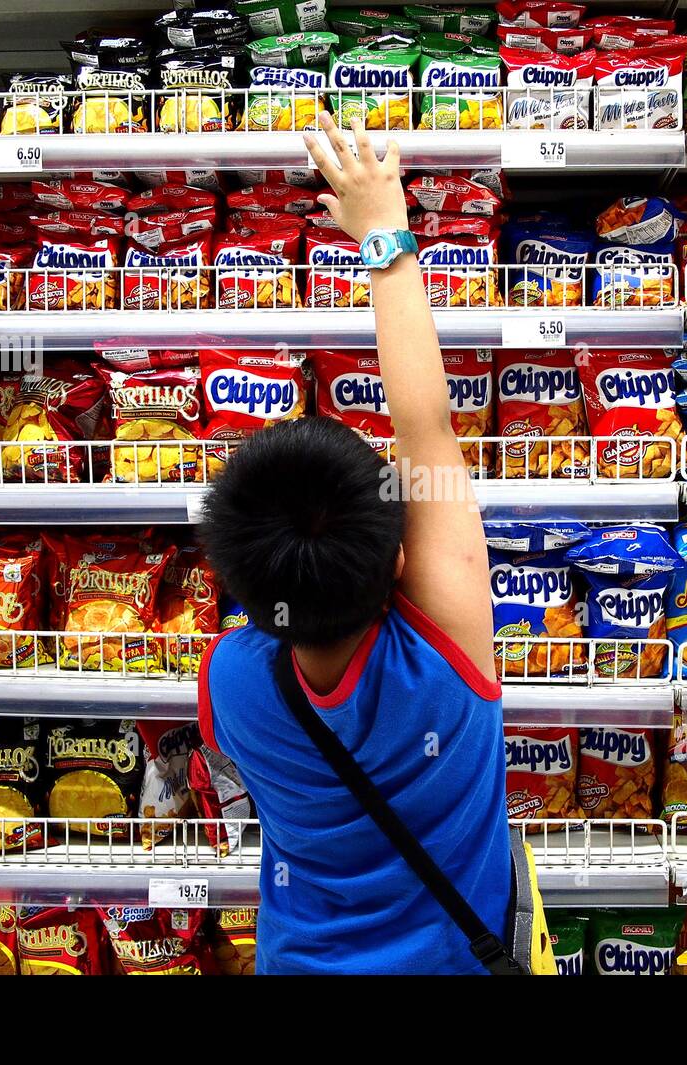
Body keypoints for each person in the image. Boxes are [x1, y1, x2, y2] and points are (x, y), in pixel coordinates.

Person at [194, 113, 510, 975]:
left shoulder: (230, 681)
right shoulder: (443, 657)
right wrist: (382, 234)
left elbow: (421, 437)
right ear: (400, 560)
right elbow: (426, 423)